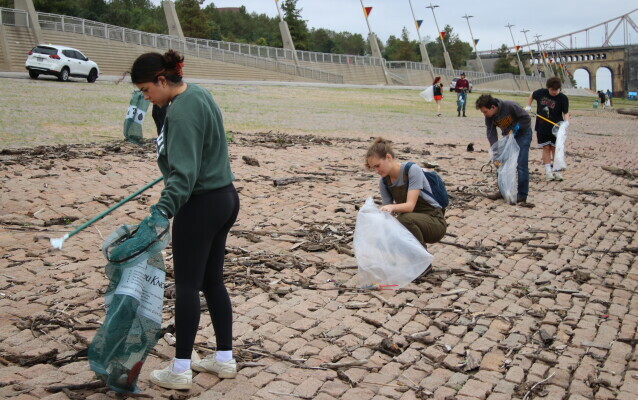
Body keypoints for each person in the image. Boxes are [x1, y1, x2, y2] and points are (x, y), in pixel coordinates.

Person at [127, 49, 240, 390]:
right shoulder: (198, 93)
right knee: (212, 281)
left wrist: (162, 210)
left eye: (146, 90)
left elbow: (184, 175)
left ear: (162, 80)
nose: (145, 98)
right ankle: (224, 360)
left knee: (188, 286)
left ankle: (179, 370)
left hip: (201, 204)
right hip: (225, 198)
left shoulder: (181, 115)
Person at [365, 137, 446, 248]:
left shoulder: (412, 170)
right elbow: (388, 216)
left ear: (388, 157)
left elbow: (410, 206)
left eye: (377, 165)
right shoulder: (384, 182)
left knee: (404, 219)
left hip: (434, 221)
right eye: (373, 168)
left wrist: (391, 207)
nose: (376, 171)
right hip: (412, 222)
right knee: (387, 230)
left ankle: (423, 262)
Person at [475, 94, 532, 204]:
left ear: (492, 107)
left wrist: (518, 127)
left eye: (485, 112)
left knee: (521, 163)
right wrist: (495, 148)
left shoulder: (510, 106)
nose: (485, 115)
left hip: (523, 134)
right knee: (500, 161)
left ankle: (522, 195)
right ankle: (502, 191)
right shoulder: (489, 117)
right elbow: (491, 132)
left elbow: (526, 118)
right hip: (507, 137)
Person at [525, 77, 570, 181]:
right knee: (546, 148)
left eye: (556, 90)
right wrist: (528, 106)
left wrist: (566, 123)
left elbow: (566, 112)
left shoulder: (563, 98)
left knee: (555, 149)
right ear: (548, 88)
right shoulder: (541, 93)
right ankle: (548, 172)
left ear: (560, 89)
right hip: (542, 126)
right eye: (552, 90)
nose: (554, 92)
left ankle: (557, 171)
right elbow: (532, 94)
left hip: (556, 127)